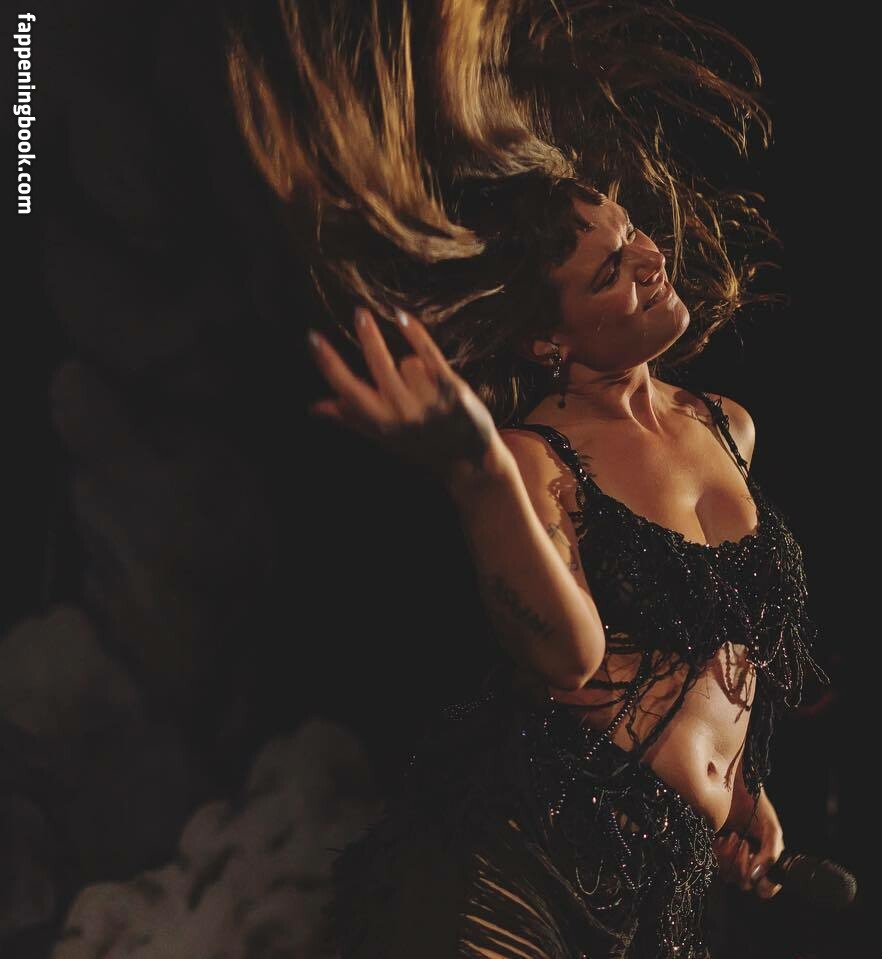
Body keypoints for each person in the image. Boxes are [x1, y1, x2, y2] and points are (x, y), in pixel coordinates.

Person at [225, 1, 827, 955]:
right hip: (523, 866)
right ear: (551, 339)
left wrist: (738, 789)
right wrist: (477, 469)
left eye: (633, 233)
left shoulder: (728, 425)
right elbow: (569, 657)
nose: (651, 258)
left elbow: (711, 649)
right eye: (609, 272)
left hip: (652, 877)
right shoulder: (535, 457)